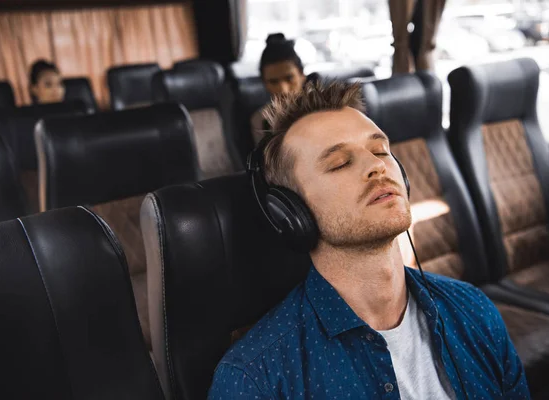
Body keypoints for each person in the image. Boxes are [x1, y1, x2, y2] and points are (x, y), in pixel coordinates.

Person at [208, 81, 529, 399]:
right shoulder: (254, 379)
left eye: (380, 151)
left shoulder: (474, 310)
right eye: (340, 163)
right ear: (291, 214)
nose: (377, 166)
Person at [251, 33, 306, 144]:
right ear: (265, 84)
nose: (283, 90)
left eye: (289, 78)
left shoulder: (326, 108)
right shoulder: (262, 120)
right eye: (273, 82)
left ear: (302, 76)